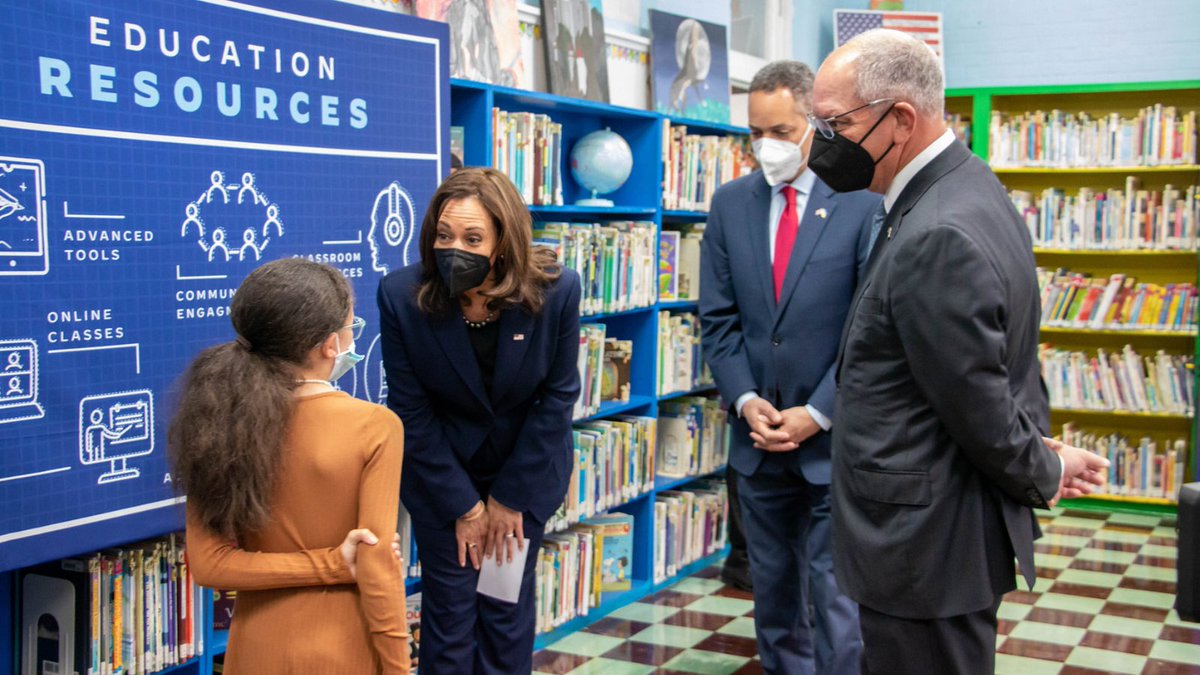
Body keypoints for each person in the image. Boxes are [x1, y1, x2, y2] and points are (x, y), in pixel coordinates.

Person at [810, 29, 1110, 674]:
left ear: (900, 120)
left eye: (833, 123)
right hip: (937, 530)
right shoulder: (967, 187)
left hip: (923, 543)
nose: (820, 144)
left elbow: (973, 397)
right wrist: (1043, 448)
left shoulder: (936, 229)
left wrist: (1043, 470)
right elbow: (978, 364)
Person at [699, 60, 880, 675]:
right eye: (755, 133)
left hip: (836, 442)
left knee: (837, 605)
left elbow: (869, 332)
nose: (765, 147)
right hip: (758, 440)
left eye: (780, 130)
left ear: (815, 124)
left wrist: (817, 413)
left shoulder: (863, 203)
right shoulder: (730, 205)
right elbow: (718, 320)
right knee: (773, 600)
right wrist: (746, 399)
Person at [377, 167, 581, 674]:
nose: (454, 249)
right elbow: (411, 410)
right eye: (444, 235)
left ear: (503, 243)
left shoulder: (556, 291)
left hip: (523, 478)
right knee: (449, 618)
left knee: (504, 613)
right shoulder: (402, 295)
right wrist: (466, 508)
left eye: (472, 238)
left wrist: (508, 500)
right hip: (442, 483)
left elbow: (556, 399)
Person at [171, 258, 410, 673]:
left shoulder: (217, 422)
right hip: (342, 650)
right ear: (330, 344)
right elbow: (376, 570)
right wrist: (397, 667)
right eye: (352, 326)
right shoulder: (376, 427)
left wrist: (328, 562)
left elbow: (211, 565)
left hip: (254, 651)